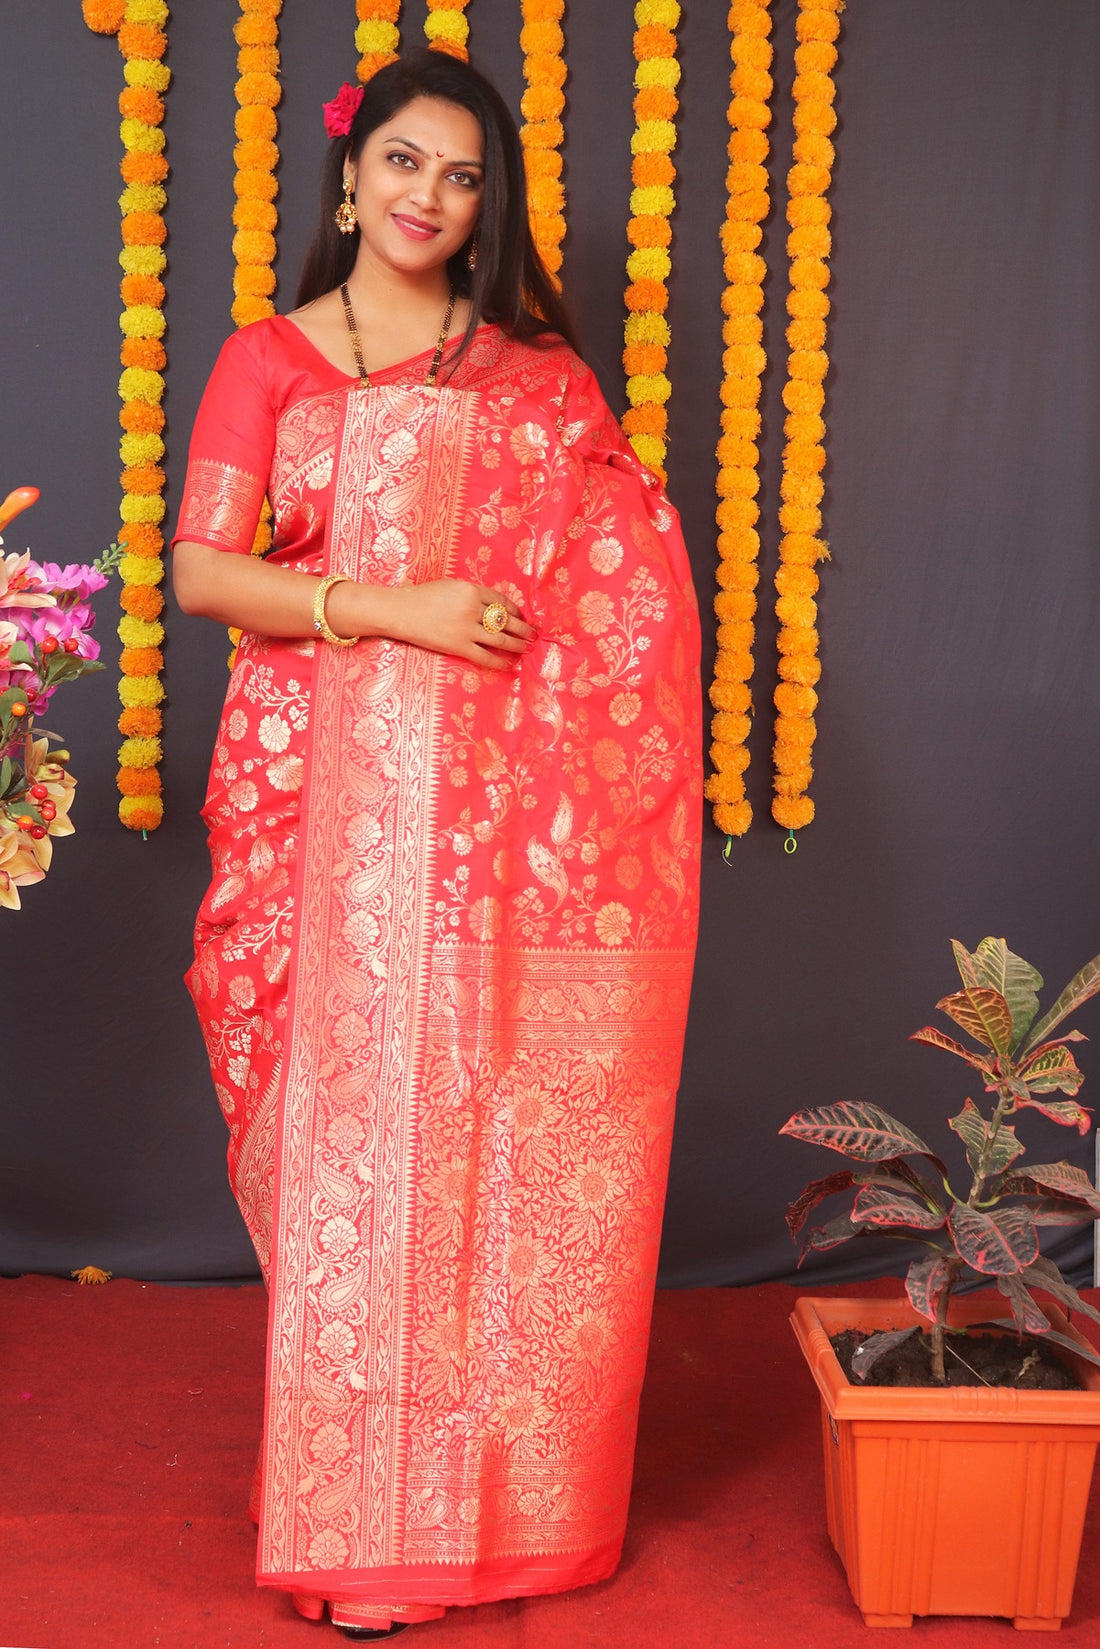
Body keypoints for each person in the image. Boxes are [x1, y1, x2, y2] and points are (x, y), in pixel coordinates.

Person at [173, 49, 701, 1641]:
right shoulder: (268, 355)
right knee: (354, 1147)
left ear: (489, 207)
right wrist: (387, 608)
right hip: (323, 815)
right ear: (349, 176)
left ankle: (482, 1519)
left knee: (480, 1147)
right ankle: (359, 1511)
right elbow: (206, 574)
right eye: (404, 163)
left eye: (463, 177)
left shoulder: (534, 374)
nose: (428, 198)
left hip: (499, 830)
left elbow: (625, 572)